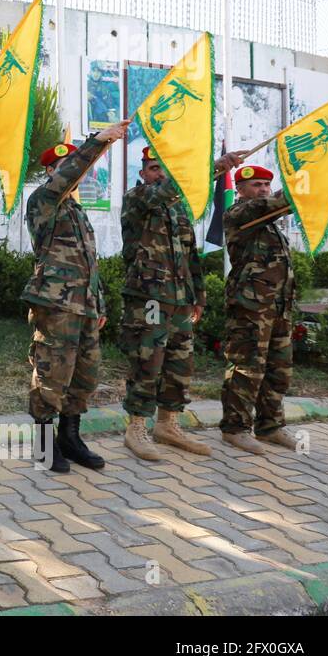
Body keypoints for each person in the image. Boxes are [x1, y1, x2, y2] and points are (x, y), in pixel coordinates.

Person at [120, 145, 243, 459]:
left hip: (180, 299)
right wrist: (214, 166)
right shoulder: (137, 199)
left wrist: (197, 296)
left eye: (163, 168)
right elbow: (167, 189)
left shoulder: (178, 210)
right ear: (142, 173)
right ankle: (136, 428)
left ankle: (168, 424)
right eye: (152, 168)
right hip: (148, 296)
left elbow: (191, 256)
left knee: (180, 364)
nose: (158, 173)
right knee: (148, 362)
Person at [22, 122, 129, 473]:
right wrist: (97, 142)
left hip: (84, 306)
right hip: (56, 304)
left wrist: (99, 304)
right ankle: (42, 444)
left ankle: (69, 437)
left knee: (84, 376)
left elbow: (89, 263)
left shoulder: (77, 212)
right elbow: (70, 172)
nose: (75, 174)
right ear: (52, 172)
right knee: (52, 373)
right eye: (65, 167)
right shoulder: (43, 201)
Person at [219, 165, 299, 454]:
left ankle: (271, 426)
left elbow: (280, 206)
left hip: (278, 306)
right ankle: (235, 428)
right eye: (256, 185)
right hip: (250, 307)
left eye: (266, 184)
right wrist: (316, 182)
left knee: (279, 369)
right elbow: (276, 203)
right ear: (240, 190)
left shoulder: (268, 222)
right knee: (247, 368)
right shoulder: (239, 214)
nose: (263, 189)